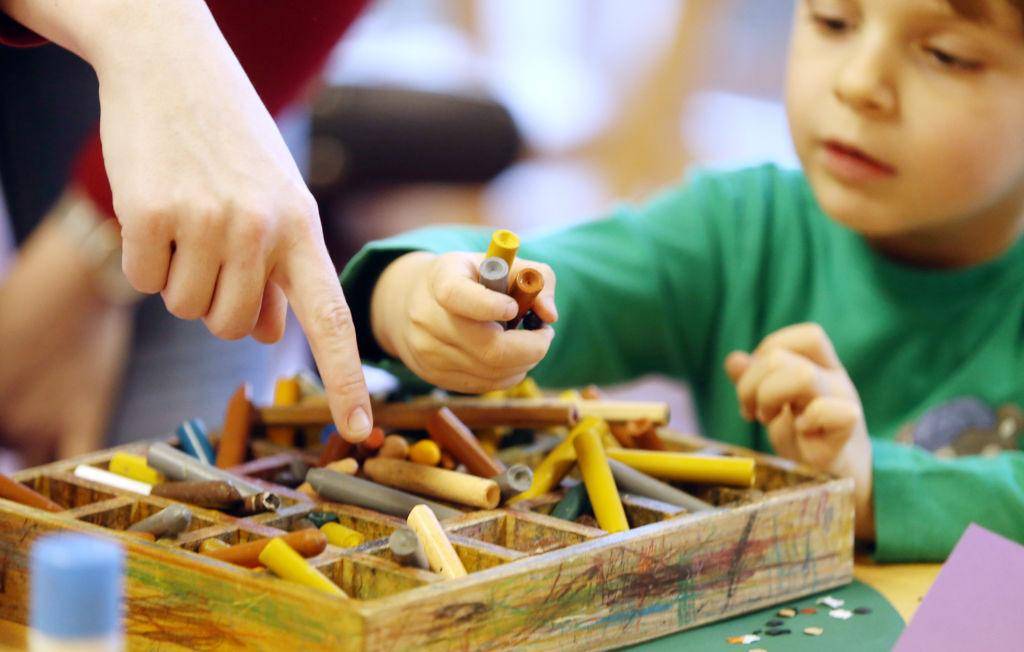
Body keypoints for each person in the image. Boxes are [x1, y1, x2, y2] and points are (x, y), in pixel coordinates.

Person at [340, 0, 1024, 562]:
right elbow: (557, 279)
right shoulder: (737, 230)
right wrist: (413, 291)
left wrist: (876, 489)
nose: (858, 84)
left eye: (946, 55)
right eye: (832, 20)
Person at [0, 0, 375, 455]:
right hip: (157, 39)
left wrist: (89, 248)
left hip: (237, 32)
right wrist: (153, 26)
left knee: (174, 463)